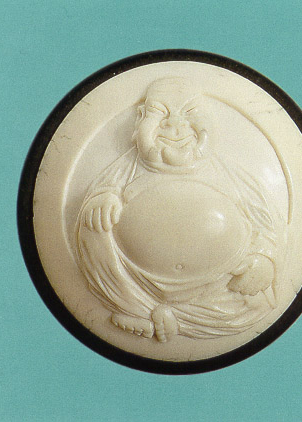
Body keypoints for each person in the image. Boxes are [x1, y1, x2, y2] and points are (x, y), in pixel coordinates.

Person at [75, 78, 285, 342]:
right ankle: (136, 308)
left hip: (217, 283)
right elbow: (102, 191)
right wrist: (103, 199)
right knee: (92, 223)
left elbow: (267, 222)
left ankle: (175, 317)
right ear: (139, 120)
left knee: (256, 304)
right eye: (159, 113)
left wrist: (265, 259)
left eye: (190, 112)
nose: (174, 124)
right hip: (138, 281)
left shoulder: (230, 174)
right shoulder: (126, 168)